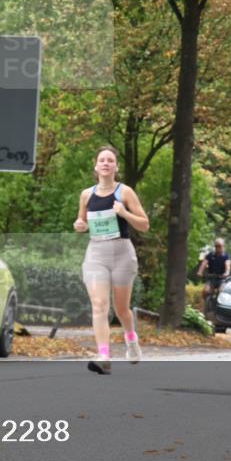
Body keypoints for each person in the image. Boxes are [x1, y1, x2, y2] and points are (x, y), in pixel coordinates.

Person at [73, 145, 150, 375]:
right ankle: (104, 355)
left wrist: (124, 213)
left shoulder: (125, 192)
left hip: (122, 253)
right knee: (98, 305)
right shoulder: (87, 195)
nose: (106, 163)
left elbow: (144, 225)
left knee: (121, 309)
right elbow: (82, 222)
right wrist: (80, 225)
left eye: (110, 160)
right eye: (102, 160)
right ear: (96, 167)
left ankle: (131, 341)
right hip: (96, 253)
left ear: (116, 167)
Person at [197, 238, 231, 307]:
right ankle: (208, 304)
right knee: (205, 291)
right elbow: (204, 264)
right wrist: (200, 272)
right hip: (211, 277)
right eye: (216, 246)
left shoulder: (226, 255)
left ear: (223, 246)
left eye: (219, 246)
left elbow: (228, 265)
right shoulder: (211, 255)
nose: (218, 248)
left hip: (222, 278)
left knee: (221, 291)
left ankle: (219, 306)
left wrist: (227, 273)